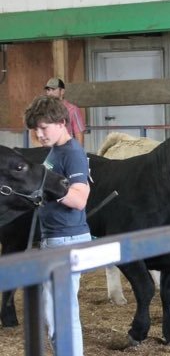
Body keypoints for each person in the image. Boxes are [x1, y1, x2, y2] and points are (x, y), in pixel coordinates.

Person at [24, 95, 91, 355]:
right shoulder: (57, 150)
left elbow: (80, 199)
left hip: (66, 239)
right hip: (55, 237)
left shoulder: (73, 153)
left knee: (61, 314)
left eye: (44, 127)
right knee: (54, 312)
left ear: (61, 122)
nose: (39, 134)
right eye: (35, 129)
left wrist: (47, 184)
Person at [44, 77, 86, 146]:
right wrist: (41, 150)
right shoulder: (43, 110)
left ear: (62, 91)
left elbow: (79, 137)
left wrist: (76, 154)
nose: (50, 92)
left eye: (53, 89)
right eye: (48, 90)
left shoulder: (73, 110)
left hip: (66, 151)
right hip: (47, 152)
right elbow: (33, 134)